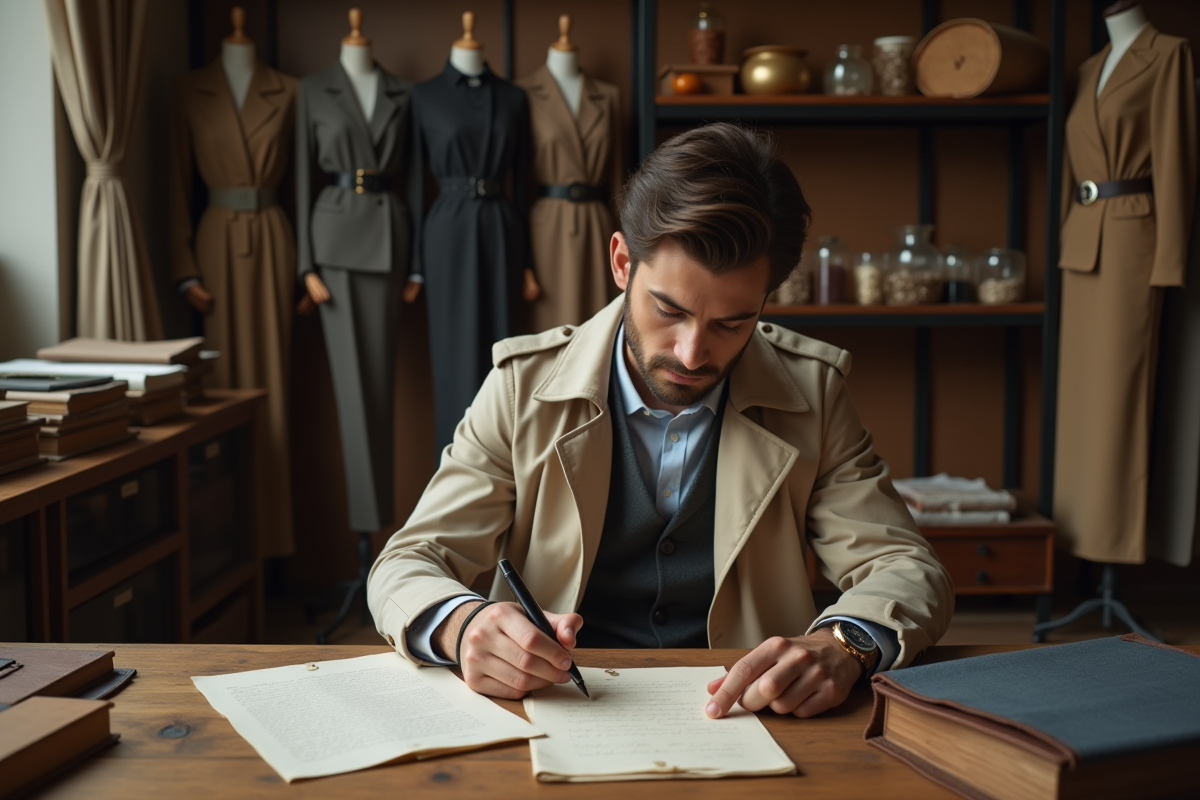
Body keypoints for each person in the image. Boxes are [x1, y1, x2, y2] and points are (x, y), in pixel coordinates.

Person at [367, 123, 953, 719]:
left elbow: (905, 568)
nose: (693, 353)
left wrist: (845, 644)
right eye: (668, 309)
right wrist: (463, 626)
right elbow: (409, 562)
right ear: (622, 262)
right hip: (551, 711)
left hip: (748, 717)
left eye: (732, 323)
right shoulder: (522, 388)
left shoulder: (814, 393)